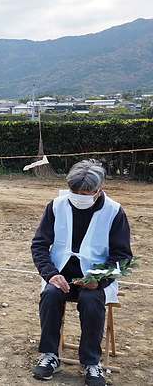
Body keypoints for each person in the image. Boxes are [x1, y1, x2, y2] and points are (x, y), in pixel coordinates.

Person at [30, 159, 132, 386]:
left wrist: (100, 279)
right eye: (75, 192)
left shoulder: (114, 212)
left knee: (91, 302)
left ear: (99, 190)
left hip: (96, 278)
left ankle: (91, 362)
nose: (80, 196)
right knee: (50, 295)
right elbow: (39, 245)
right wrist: (50, 274)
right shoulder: (56, 206)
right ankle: (49, 354)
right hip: (61, 273)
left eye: (86, 193)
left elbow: (123, 256)